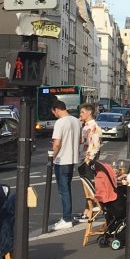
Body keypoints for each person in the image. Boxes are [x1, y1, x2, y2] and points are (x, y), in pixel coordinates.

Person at [50, 99, 83, 230]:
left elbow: (57, 143)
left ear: (56, 109)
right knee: (67, 189)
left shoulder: (60, 122)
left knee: (63, 190)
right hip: (72, 158)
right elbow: (80, 140)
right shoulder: (76, 121)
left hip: (62, 159)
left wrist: (53, 156)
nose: (54, 115)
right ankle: (66, 216)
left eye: (54, 113)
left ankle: (66, 218)